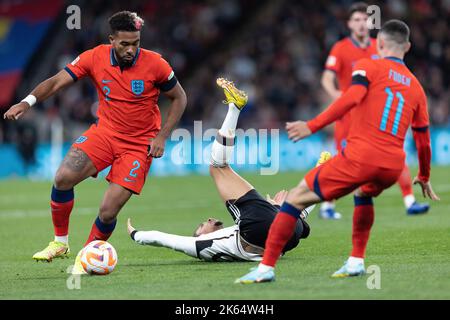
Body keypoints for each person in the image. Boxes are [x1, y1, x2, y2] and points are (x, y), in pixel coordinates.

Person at [236, 20, 439, 284]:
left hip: (362, 156)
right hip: (392, 165)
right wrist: (423, 175)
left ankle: (265, 269)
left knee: (295, 198)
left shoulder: (369, 65)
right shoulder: (416, 88)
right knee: (363, 192)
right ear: (408, 47)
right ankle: (356, 262)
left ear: (378, 43)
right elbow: (423, 140)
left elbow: (352, 98)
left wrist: (312, 125)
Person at [3, 11, 187, 274]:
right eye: (125, 44)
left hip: (138, 145)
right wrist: (27, 102)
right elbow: (56, 82)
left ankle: (86, 256)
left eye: (136, 43)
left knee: (108, 211)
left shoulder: (156, 64)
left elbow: (180, 98)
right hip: (105, 133)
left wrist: (161, 136)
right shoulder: (94, 57)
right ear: (112, 40)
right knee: (63, 177)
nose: (131, 49)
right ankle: (60, 243)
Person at [127, 78, 321, 262]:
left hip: (289, 238)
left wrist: (278, 210)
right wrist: (137, 235)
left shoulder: (227, 246)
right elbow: (170, 240)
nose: (209, 219)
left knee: (295, 209)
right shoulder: (201, 245)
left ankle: (321, 176)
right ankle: (235, 107)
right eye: (203, 225)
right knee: (217, 167)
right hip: (260, 229)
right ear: (201, 235)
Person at [321, 2, 429, 218]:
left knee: (395, 152)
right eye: (357, 20)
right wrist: (339, 98)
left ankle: (410, 201)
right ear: (350, 24)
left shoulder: (379, 47)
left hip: (372, 116)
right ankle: (327, 206)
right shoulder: (340, 48)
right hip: (349, 115)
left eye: (365, 20)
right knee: (341, 158)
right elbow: (326, 78)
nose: (361, 24)